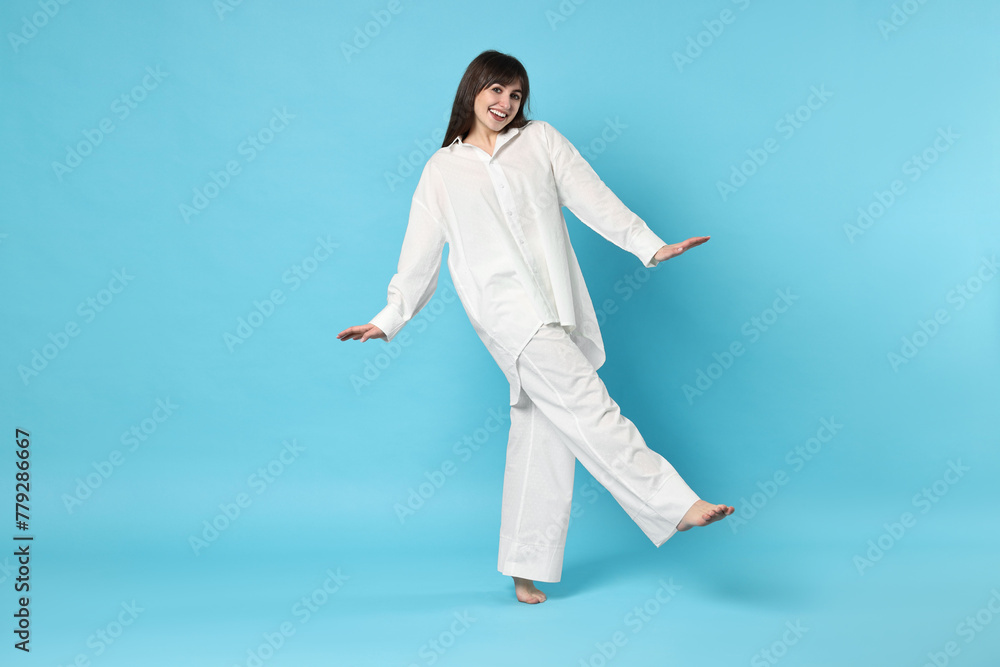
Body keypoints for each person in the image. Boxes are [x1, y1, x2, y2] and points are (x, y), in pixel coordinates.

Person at [338, 49, 733, 604]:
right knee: (590, 406)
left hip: (557, 306)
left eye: (516, 93)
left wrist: (648, 245)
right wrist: (390, 317)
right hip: (504, 313)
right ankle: (676, 505)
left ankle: (524, 568)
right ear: (473, 90)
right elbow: (420, 254)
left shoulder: (541, 141)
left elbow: (592, 196)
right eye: (496, 90)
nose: (505, 102)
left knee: (542, 434)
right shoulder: (441, 171)